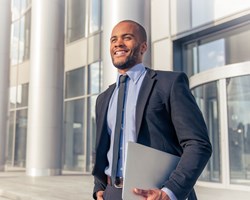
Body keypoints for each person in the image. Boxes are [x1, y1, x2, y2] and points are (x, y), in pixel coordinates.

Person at [92, 20, 212, 200]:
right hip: (112, 193)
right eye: (113, 39)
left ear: (143, 46)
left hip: (156, 194)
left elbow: (198, 144)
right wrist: (99, 186)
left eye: (127, 37)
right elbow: (104, 147)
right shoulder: (103, 98)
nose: (118, 43)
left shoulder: (169, 84)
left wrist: (170, 192)